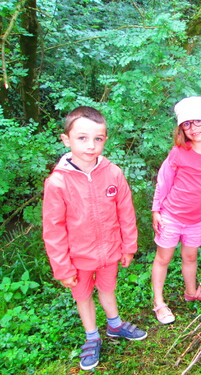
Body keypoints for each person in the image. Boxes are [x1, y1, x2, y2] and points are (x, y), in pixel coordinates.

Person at [42, 106, 147, 371]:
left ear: (105, 140)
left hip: (110, 251)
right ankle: (92, 336)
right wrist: (62, 268)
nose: (91, 145)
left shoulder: (113, 173)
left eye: (98, 139)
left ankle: (115, 324)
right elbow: (53, 229)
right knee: (83, 296)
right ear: (66, 139)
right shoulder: (58, 182)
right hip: (77, 258)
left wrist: (128, 246)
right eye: (82, 138)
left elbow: (126, 212)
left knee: (108, 288)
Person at [151, 96, 201, 324]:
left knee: (190, 256)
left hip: (196, 220)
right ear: (181, 128)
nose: (193, 128)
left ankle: (191, 292)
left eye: (197, 121)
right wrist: (156, 209)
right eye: (187, 124)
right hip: (171, 216)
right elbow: (163, 180)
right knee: (163, 258)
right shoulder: (179, 152)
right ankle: (159, 302)